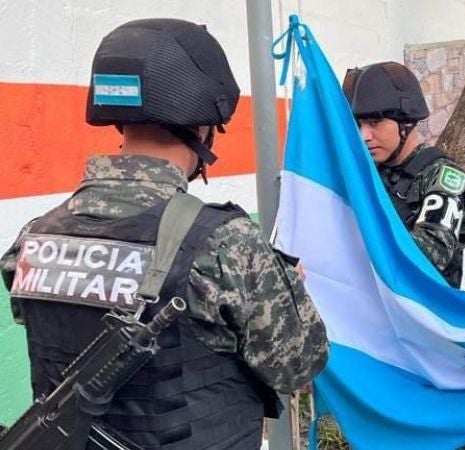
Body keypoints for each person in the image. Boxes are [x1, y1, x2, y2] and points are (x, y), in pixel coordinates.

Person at [1, 19, 328, 449]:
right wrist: (288, 294)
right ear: (202, 127)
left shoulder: (34, 238)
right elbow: (298, 365)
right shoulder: (227, 244)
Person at [342, 61, 465, 288]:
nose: (364, 135)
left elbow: (429, 254)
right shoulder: (369, 175)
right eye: (359, 125)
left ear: (405, 122)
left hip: (423, 315)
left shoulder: (443, 177)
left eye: (375, 122)